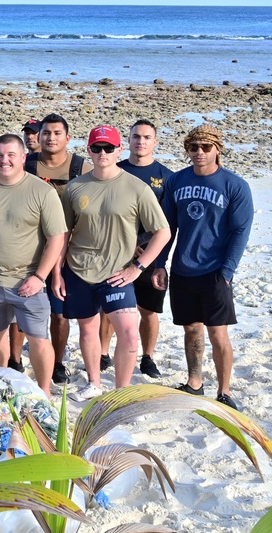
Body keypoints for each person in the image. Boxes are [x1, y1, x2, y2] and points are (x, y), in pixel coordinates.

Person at [53, 126, 170, 401]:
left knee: (129, 335)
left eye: (108, 148)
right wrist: (57, 273)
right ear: (89, 151)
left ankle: (121, 391)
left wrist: (137, 267)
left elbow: (162, 232)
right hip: (79, 270)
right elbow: (63, 234)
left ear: (119, 150)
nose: (102, 153)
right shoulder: (75, 187)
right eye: (96, 148)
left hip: (118, 274)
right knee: (88, 329)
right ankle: (94, 382)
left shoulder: (137, 188)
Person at [0, 135, 66, 397]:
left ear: (23, 157)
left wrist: (40, 277)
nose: (4, 161)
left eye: (10, 155)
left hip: (29, 281)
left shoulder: (43, 192)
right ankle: (0, 388)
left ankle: (44, 392)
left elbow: (56, 239)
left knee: (39, 337)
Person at [154, 125, 253, 412]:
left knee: (217, 333)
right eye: (193, 147)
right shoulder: (177, 181)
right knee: (191, 329)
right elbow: (167, 227)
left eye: (206, 147)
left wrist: (227, 272)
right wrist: (161, 264)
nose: (199, 152)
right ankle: (194, 383)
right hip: (183, 269)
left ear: (218, 149)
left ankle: (224, 391)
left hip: (215, 271)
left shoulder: (234, 185)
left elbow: (240, 231)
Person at [98, 120, 173, 379]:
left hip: (151, 254)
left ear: (155, 142)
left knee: (149, 310)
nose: (140, 142)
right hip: (117, 253)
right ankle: (103, 353)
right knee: (108, 308)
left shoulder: (166, 177)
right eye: (136, 137)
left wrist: (158, 257)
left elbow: (168, 223)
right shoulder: (113, 170)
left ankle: (148, 357)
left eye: (146, 137)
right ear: (126, 142)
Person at [25, 113, 92, 384]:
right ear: (38, 137)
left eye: (56, 133)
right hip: (28, 248)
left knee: (60, 310)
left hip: (67, 250)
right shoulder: (27, 164)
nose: (50, 138)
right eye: (46, 133)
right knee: (22, 305)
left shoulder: (81, 168)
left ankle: (59, 361)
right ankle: (16, 359)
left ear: (67, 138)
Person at [7, 118, 44, 368]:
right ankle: (15, 358)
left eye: (34, 133)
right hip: (21, 247)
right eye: (27, 134)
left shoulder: (64, 164)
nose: (31, 137)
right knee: (17, 306)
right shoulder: (22, 162)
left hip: (51, 243)